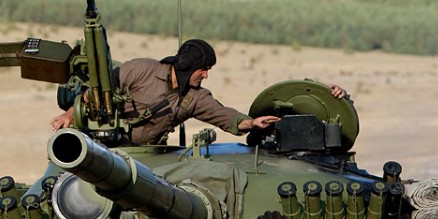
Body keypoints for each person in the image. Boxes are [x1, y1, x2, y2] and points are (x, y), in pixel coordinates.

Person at [50, 38, 347, 145]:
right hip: (104, 145)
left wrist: (250, 122)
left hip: (143, 156)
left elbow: (223, 115)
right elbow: (97, 91)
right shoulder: (141, 69)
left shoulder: (194, 99)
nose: (205, 75)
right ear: (187, 66)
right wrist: (69, 115)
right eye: (203, 69)